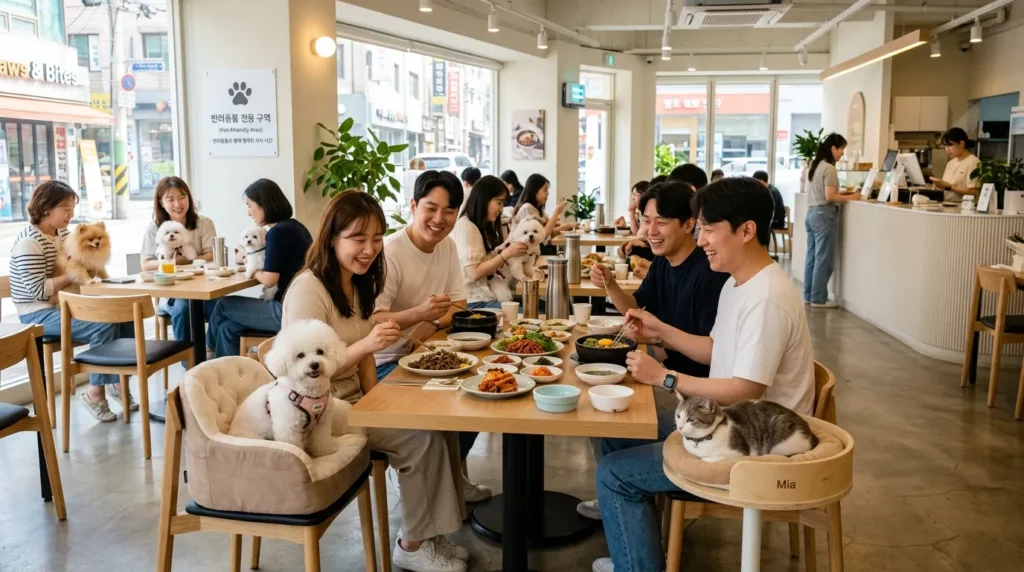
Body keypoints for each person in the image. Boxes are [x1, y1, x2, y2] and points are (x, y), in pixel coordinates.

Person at [590, 177, 815, 572]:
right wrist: (660, 332)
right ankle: (635, 545)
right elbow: (715, 348)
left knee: (613, 475)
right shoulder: (740, 283)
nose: (703, 238)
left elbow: (744, 389)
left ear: (746, 231)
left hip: (753, 449)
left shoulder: (767, 300)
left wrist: (665, 378)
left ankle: (638, 564)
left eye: (709, 228)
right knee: (616, 426)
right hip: (729, 424)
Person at [282, 191, 470, 572]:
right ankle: (411, 545)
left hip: (351, 401)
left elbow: (366, 354)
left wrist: (378, 398)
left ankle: (430, 533)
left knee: (437, 417)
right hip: (318, 411)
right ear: (332, 238)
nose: (369, 249)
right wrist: (368, 346)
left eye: (376, 238)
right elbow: (297, 375)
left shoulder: (356, 282)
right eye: (357, 238)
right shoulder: (309, 288)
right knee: (422, 435)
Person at [579, 180, 729, 521]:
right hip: (672, 379)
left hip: (697, 398)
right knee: (602, 415)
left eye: (660, 221)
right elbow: (636, 307)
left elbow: (712, 353)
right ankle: (620, 507)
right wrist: (612, 285)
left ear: (689, 224)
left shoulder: (709, 274)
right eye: (646, 220)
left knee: (605, 413)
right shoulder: (664, 262)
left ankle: (623, 494)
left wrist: (659, 340)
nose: (649, 230)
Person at [372, 170, 492, 503]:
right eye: (431, 208)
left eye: (449, 211)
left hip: (428, 353)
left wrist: (429, 326)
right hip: (387, 364)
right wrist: (420, 315)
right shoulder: (391, 253)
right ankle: (415, 478)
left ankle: (452, 472)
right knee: (448, 406)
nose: (440, 219)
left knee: (478, 393)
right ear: (413, 205)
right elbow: (374, 320)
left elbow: (459, 305)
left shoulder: (447, 246)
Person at [11, 182, 133, 422]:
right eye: (65, 208)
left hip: (66, 303)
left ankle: (118, 382)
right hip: (38, 313)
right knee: (103, 325)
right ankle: (94, 393)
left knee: (124, 316)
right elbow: (37, 290)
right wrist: (74, 273)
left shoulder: (63, 235)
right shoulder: (29, 243)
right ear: (46, 208)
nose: (71, 214)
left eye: (72, 208)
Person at [206, 179, 312, 357]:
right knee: (227, 328)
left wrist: (248, 263)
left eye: (249, 205)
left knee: (223, 305)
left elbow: (270, 280)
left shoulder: (278, 233)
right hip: (301, 306)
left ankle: (203, 354)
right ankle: (230, 377)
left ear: (264, 204)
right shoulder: (295, 226)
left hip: (285, 311)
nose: (248, 212)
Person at [140, 176, 218, 343]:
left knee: (219, 306)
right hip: (171, 292)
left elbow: (211, 255)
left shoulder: (203, 223)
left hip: (204, 288)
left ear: (189, 198)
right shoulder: (154, 228)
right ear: (161, 202)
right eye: (170, 199)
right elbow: (146, 264)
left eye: (182, 197)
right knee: (184, 308)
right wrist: (173, 262)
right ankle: (188, 361)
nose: (178, 204)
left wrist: (183, 260)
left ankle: (214, 354)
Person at [452, 175, 529, 309]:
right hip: (474, 302)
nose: (501, 209)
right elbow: (475, 273)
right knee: (535, 310)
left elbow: (482, 261)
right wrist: (505, 254)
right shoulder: (466, 226)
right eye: (499, 202)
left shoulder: (478, 226)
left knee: (538, 306)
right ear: (484, 199)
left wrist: (501, 250)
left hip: (487, 295)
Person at [805, 133, 860, 308]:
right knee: (823, 259)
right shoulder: (829, 168)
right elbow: (829, 196)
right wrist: (853, 197)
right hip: (823, 215)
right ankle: (819, 298)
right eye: (842, 149)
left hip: (812, 214)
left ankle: (809, 295)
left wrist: (842, 194)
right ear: (833, 148)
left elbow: (823, 193)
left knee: (812, 257)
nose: (843, 153)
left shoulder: (815, 166)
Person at [511, 173, 575, 244]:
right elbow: (543, 235)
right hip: (523, 252)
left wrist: (567, 226)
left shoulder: (538, 209)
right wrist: (556, 212)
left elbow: (550, 232)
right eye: (545, 190)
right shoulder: (527, 208)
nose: (548, 193)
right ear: (534, 191)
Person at [930, 127, 981, 202]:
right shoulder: (951, 163)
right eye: (945, 146)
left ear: (961, 144)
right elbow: (946, 186)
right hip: (947, 205)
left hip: (964, 209)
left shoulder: (973, 162)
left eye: (950, 145)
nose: (947, 149)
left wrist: (950, 187)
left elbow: (974, 192)